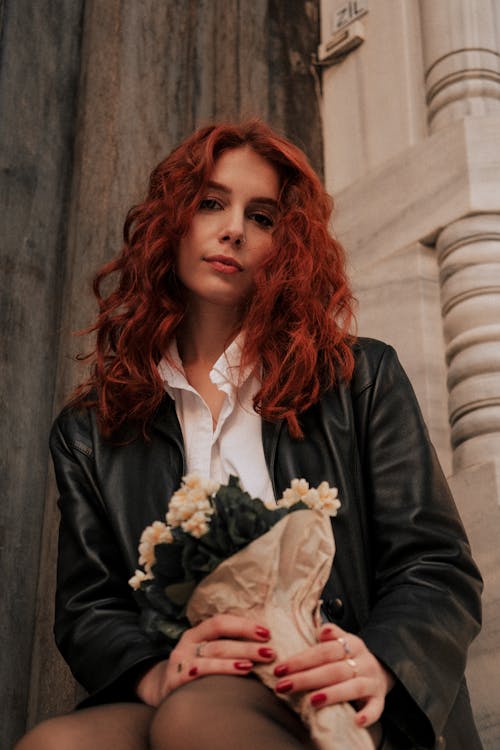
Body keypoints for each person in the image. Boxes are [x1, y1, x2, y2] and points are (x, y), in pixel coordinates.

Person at [15, 120, 483, 750]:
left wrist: (380, 662)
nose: (233, 228)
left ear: (286, 247)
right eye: (211, 203)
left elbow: (436, 564)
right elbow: (89, 608)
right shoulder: (90, 432)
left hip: (338, 693)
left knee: (195, 721)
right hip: (192, 689)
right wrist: (155, 674)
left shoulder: (359, 378)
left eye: (261, 217)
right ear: (171, 221)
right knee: (57, 744)